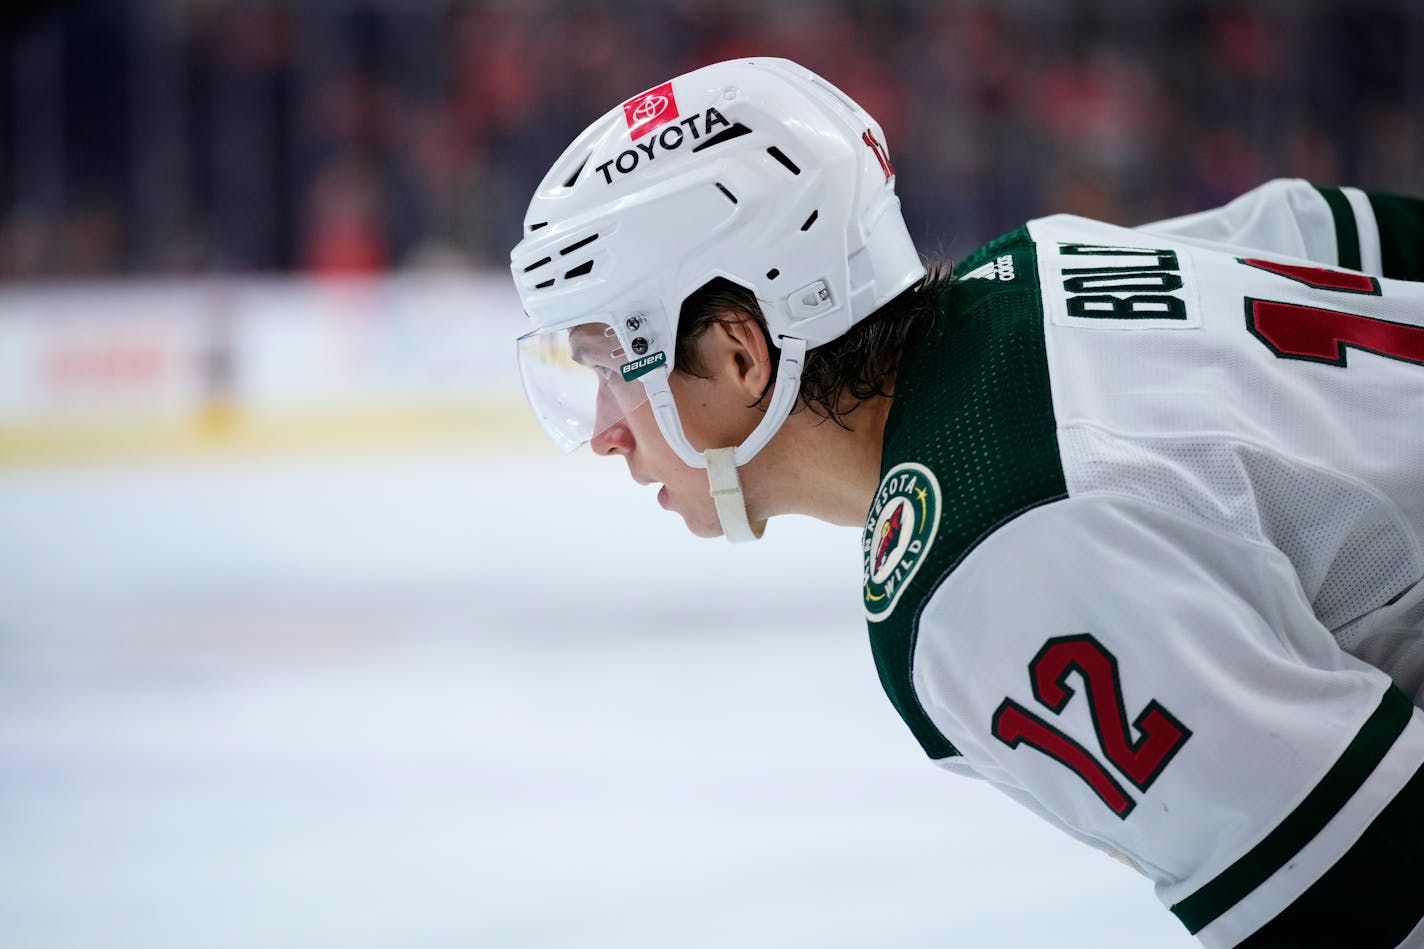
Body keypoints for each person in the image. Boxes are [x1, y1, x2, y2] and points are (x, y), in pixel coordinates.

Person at [510, 58, 1424, 948]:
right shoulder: (1039, 261)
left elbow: (1370, 892)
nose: (604, 428)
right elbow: (1343, 230)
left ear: (741, 354)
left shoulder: (983, 565)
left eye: (607, 367)